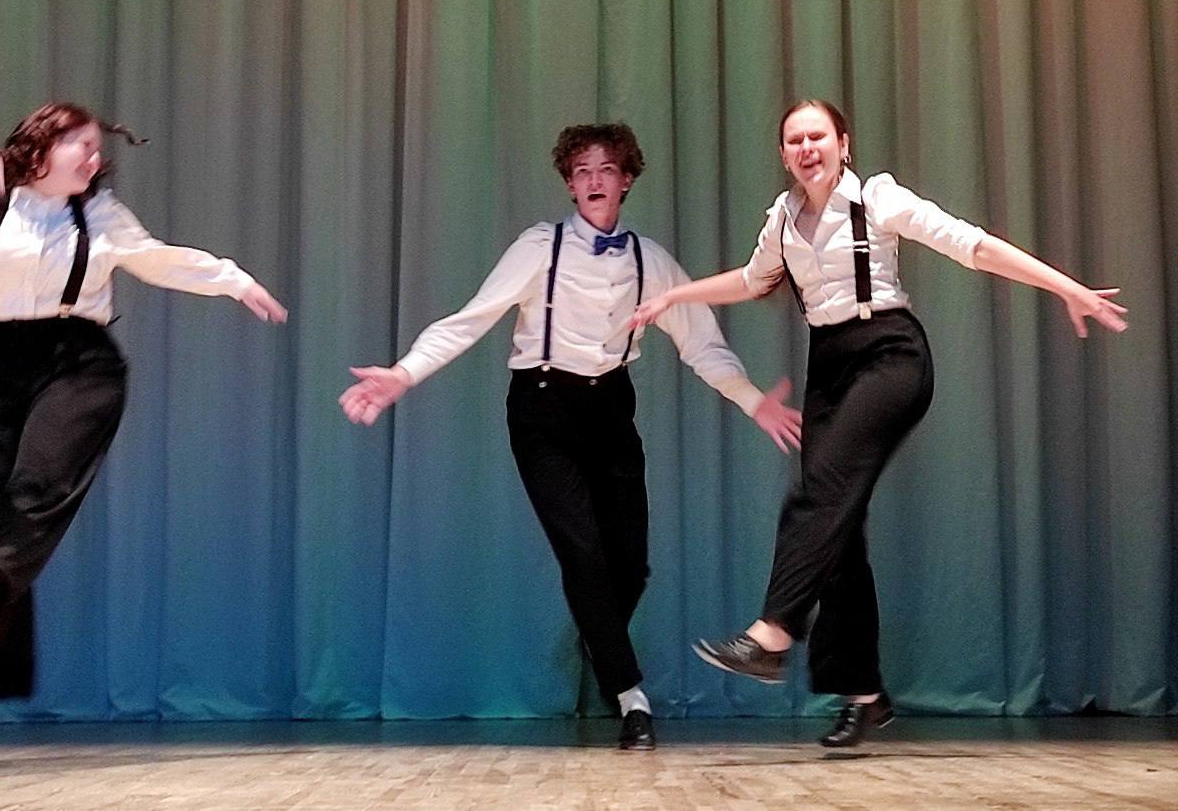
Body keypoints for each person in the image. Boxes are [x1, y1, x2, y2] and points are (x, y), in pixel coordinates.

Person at [632, 99, 1126, 747]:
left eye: (818, 136)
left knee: (820, 494)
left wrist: (1065, 286)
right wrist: (676, 294)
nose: (807, 148)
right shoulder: (782, 219)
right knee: (837, 528)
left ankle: (772, 633)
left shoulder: (877, 199)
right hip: (829, 367)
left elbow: (971, 244)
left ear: (843, 144)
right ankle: (863, 691)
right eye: (794, 140)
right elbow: (753, 281)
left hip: (890, 355)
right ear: (784, 155)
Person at [339, 123, 799, 750]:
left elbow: (703, 346)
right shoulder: (539, 248)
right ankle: (631, 699)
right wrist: (403, 373)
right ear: (570, 185)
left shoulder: (651, 261)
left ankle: (597, 632)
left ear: (626, 180)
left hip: (611, 410)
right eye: (582, 171)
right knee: (582, 552)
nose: (593, 181)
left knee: (630, 565)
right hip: (543, 408)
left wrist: (752, 402)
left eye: (606, 169)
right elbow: (470, 320)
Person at [0, 102, 288, 766]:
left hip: (79, 364)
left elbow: (158, 259)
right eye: (80, 146)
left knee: (33, 495)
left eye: (96, 148)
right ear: (39, 147)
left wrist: (232, 280)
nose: (94, 158)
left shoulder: (100, 215)